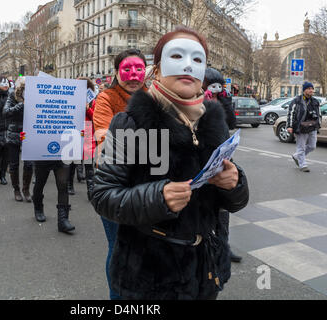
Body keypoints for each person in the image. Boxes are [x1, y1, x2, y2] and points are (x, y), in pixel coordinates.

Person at [92, 26, 249, 300]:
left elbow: (234, 201)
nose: (188, 66)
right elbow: (102, 195)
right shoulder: (129, 123)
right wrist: (157, 197)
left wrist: (234, 183)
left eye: (198, 60)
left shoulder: (214, 122)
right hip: (149, 279)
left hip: (205, 273)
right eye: (177, 56)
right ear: (158, 68)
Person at [93, 49, 147, 300]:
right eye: (127, 70)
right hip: (114, 185)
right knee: (119, 249)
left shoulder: (155, 97)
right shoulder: (106, 98)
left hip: (149, 185)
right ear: (116, 72)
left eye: (139, 69)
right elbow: (104, 139)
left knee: (147, 249)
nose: (133, 76)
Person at [203, 68, 242, 264]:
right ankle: (209, 250)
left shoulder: (221, 100)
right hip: (204, 162)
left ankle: (223, 248)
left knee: (223, 210)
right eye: (212, 84)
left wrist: (226, 102)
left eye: (220, 86)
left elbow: (232, 122)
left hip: (223, 158)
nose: (216, 89)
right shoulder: (196, 100)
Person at [3, 77, 33, 202]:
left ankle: (26, 189)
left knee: (29, 164)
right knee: (14, 164)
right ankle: (16, 189)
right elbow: (6, 112)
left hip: (30, 133)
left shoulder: (35, 96)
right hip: (14, 133)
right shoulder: (12, 95)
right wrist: (21, 105)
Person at [287, 81, 321, 173]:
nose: (311, 90)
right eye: (309, 89)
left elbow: (318, 114)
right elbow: (291, 113)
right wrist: (289, 126)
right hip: (300, 127)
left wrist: (319, 124)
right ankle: (303, 165)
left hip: (312, 126)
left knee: (312, 146)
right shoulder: (297, 100)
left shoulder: (315, 101)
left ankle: (296, 156)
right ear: (304, 90)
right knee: (301, 147)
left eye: (312, 89)